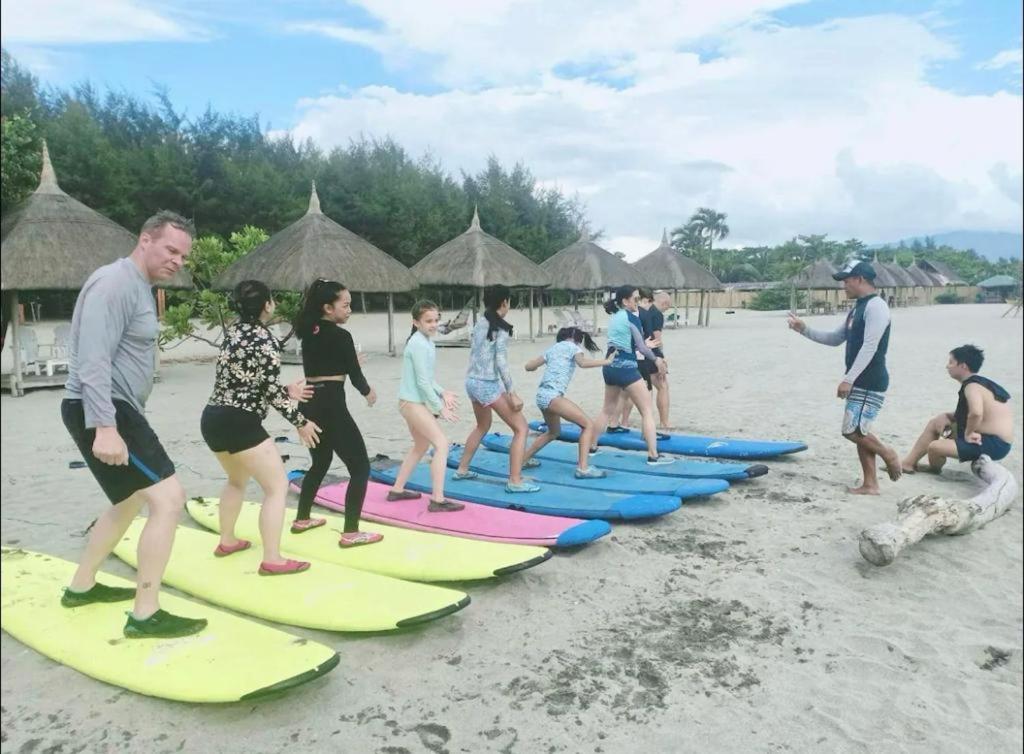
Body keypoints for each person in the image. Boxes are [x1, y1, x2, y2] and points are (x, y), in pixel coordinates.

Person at [60, 210, 207, 638]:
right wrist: (105, 426)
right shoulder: (115, 283)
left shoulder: (141, 287)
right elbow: (92, 357)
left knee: (128, 501)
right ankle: (146, 614)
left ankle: (81, 587)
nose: (177, 261)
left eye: (183, 255)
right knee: (169, 499)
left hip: (116, 408)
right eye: (170, 249)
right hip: (105, 408)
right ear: (145, 239)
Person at [200, 280, 320, 574]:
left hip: (213, 417)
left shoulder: (233, 333)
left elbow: (246, 381)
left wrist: (284, 391)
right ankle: (272, 559)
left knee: (236, 481)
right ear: (267, 305)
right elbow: (265, 391)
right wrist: (300, 422)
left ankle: (227, 541)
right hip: (241, 421)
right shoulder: (266, 341)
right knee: (276, 488)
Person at [788, 259, 902, 495]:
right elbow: (835, 339)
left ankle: (888, 453)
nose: (844, 286)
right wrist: (804, 329)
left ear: (860, 279)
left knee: (851, 431)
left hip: (870, 379)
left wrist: (848, 379)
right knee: (861, 432)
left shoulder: (876, 307)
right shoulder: (858, 308)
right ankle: (870, 484)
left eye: (847, 281)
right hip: (861, 378)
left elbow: (870, 346)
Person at [291, 280, 382, 548]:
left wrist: (349, 360)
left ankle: (302, 518)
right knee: (360, 468)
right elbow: (353, 374)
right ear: (328, 308)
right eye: (346, 305)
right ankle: (351, 533)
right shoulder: (342, 336)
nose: (350, 309)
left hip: (309, 403)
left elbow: (328, 362)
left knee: (320, 463)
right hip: (331, 404)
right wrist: (368, 392)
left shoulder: (310, 332)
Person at [452, 285, 540, 492]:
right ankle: (515, 481)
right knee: (521, 428)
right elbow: (501, 362)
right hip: (486, 385)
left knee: (482, 426)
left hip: (471, 382)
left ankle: (462, 470)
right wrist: (512, 392)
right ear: (504, 303)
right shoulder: (500, 329)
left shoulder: (480, 323)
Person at [386, 300, 464, 511]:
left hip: (412, 402)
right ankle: (437, 499)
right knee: (441, 444)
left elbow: (428, 379)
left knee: (421, 446)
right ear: (416, 322)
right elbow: (421, 383)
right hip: (412, 404)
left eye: (436, 320)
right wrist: (440, 408)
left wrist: (443, 391)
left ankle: (397, 490)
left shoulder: (427, 342)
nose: (433, 324)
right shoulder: (418, 344)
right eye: (428, 321)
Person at [901, 344, 1013, 473]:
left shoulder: (972, 386)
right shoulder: (980, 383)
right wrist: (948, 416)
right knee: (936, 422)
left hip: (994, 444)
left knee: (935, 447)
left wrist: (969, 433)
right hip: (987, 437)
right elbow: (979, 413)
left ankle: (934, 469)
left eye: (951, 362)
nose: (947, 366)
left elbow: (976, 413)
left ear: (963, 366)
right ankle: (908, 463)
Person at [592, 286, 672, 465]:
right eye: (635, 299)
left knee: (606, 410)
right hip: (626, 368)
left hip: (609, 366)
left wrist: (644, 345)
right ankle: (653, 455)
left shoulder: (614, 318)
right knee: (646, 410)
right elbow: (641, 348)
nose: (638, 302)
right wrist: (656, 359)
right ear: (625, 301)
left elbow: (628, 343)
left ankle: (591, 447)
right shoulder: (631, 318)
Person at [521, 326, 613, 477]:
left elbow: (528, 366)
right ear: (576, 339)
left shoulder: (552, 349)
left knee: (553, 432)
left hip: (541, 395)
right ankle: (583, 469)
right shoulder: (573, 348)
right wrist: (606, 362)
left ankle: (523, 459)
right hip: (553, 396)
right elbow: (582, 363)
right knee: (588, 425)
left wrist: (534, 366)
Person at [619, 288, 672, 429]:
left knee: (630, 391)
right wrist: (661, 357)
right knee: (662, 386)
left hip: (634, 355)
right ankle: (664, 422)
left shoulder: (630, 315)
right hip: (649, 354)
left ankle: (623, 422)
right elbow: (656, 339)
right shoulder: (655, 314)